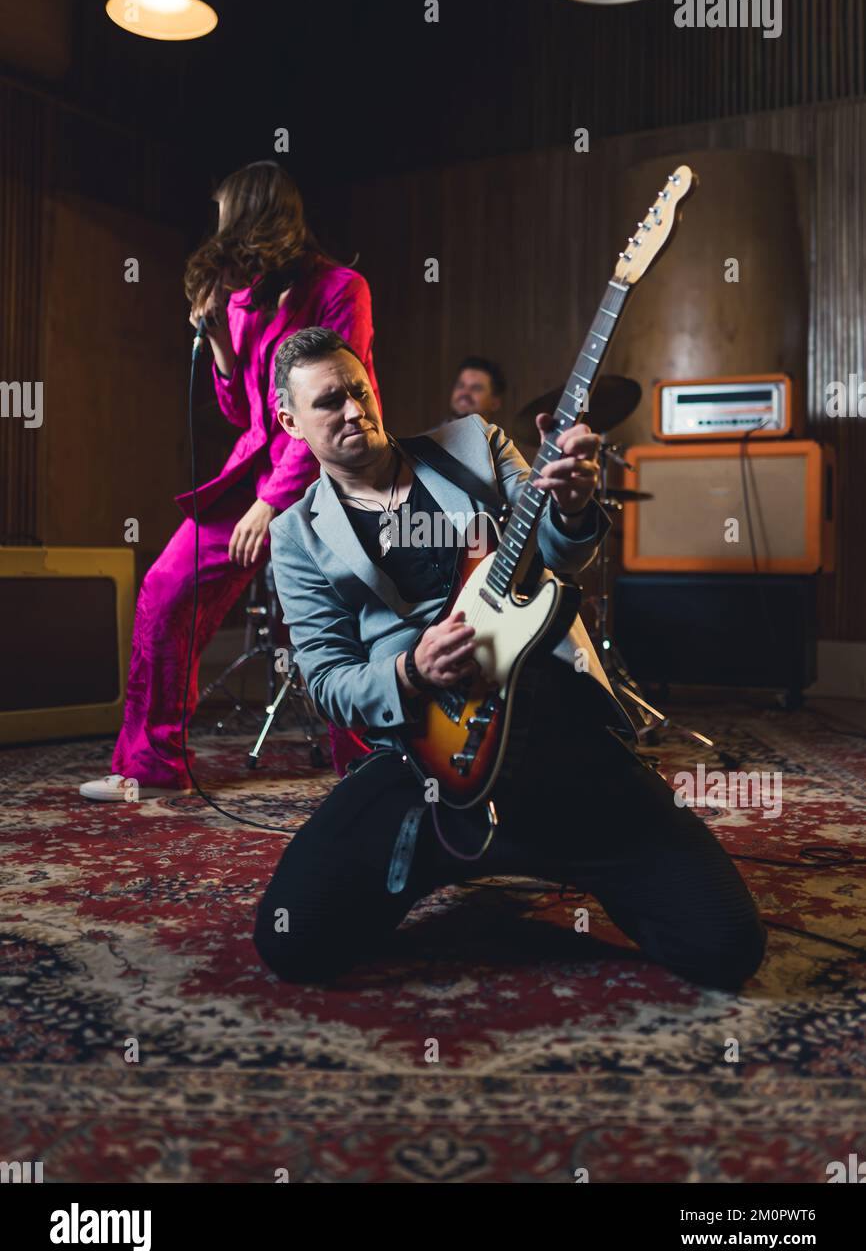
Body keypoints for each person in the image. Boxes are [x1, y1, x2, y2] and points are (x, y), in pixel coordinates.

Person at [253, 328, 767, 990]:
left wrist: (573, 505)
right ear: (289, 421)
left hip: (558, 738)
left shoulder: (473, 444)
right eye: (329, 402)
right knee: (292, 939)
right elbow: (327, 679)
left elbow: (553, 551)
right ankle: (452, 849)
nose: (354, 410)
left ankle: (547, 842)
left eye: (359, 391)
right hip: (426, 765)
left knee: (725, 946)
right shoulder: (296, 535)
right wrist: (411, 671)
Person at [79, 163, 378, 801]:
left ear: (254, 215)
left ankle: (374, 769)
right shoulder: (242, 301)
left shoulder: (340, 289)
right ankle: (148, 765)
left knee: (336, 619)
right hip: (255, 474)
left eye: (224, 216)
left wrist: (276, 501)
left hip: (328, 473)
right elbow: (246, 413)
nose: (217, 231)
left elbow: (326, 404)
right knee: (165, 588)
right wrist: (219, 343)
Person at [447, 355, 505, 420]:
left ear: (495, 403)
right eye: (460, 386)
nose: (465, 392)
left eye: (476, 388)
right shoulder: (435, 430)